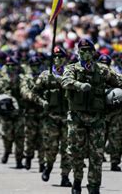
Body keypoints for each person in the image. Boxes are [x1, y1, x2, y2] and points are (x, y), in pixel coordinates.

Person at [62, 38, 122, 194]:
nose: (86, 54)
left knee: (97, 155)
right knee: (76, 153)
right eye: (83, 51)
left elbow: (119, 80)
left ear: (93, 53)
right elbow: (65, 81)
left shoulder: (102, 70)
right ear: (78, 52)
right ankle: (77, 181)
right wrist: (79, 85)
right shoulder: (72, 68)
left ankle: (94, 186)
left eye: (89, 51)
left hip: (97, 118)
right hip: (77, 118)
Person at [34, 46, 72, 186]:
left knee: (68, 149)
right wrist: (42, 102)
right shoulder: (45, 75)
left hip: (68, 117)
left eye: (61, 57)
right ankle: (48, 167)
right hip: (51, 118)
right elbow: (34, 92)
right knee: (51, 148)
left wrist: (57, 79)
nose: (58, 60)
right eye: (55, 57)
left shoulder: (70, 73)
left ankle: (65, 176)